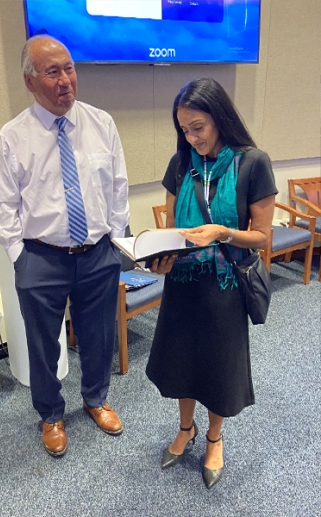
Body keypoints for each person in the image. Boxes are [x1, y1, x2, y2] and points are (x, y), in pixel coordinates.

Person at [0, 35, 129, 457]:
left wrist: (116, 241)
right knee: (43, 345)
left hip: (97, 254)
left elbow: (118, 187)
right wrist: (20, 257)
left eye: (69, 68)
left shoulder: (101, 123)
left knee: (100, 335)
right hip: (41, 258)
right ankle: (50, 414)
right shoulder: (13, 137)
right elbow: (3, 206)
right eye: (53, 72)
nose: (66, 80)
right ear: (31, 82)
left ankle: (95, 398)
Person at [146, 78, 277, 488]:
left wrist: (223, 232)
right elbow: (170, 232)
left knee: (218, 367)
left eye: (198, 127)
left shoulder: (253, 162)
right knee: (182, 361)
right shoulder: (181, 163)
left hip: (225, 287)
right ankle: (185, 429)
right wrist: (160, 263)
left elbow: (262, 238)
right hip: (183, 284)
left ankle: (214, 437)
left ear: (220, 118)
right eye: (184, 129)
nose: (191, 137)